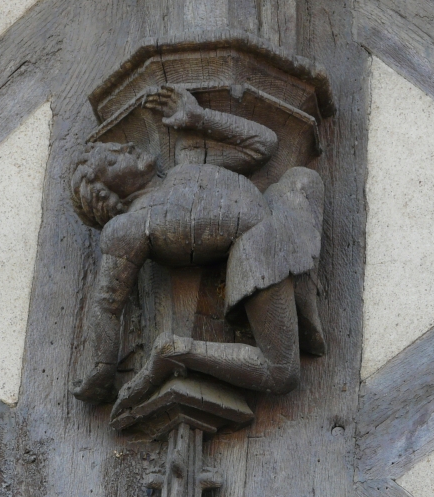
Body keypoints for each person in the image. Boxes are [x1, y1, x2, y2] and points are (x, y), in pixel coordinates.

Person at [70, 85, 325, 418]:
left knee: (303, 179)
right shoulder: (126, 227)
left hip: (275, 216)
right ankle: (176, 351)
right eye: (115, 158)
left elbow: (264, 145)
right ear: (107, 197)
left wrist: (201, 118)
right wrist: (101, 370)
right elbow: (107, 304)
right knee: (281, 371)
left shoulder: (185, 166)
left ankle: (303, 302)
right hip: (257, 251)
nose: (129, 145)